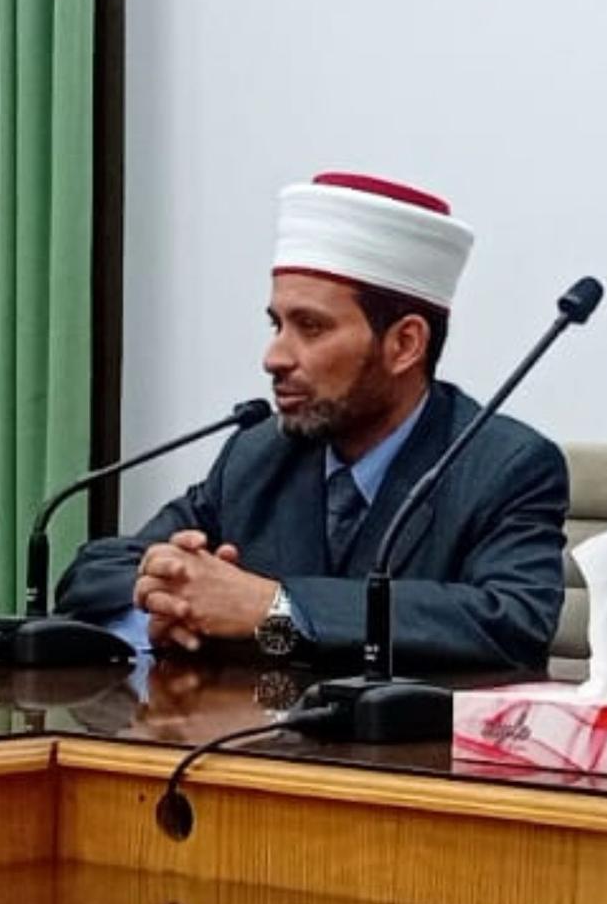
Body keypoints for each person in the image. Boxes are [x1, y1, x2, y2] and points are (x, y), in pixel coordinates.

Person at [60, 172, 569, 673]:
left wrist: (275, 608)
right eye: (276, 324)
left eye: (310, 327)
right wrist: (170, 598)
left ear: (404, 344)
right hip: (257, 721)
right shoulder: (257, 453)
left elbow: (512, 624)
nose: (274, 357)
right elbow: (97, 571)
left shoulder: (503, 466)